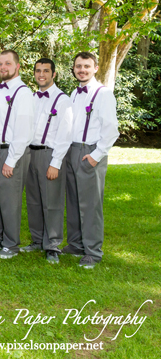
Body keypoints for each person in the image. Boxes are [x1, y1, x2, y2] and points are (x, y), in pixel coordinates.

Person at [63, 52, 119, 269]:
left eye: (87, 66)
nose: (82, 70)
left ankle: (93, 252)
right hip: (72, 150)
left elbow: (111, 130)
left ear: (95, 68)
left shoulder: (103, 94)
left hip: (90, 152)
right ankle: (76, 244)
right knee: (74, 200)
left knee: (91, 204)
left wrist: (96, 156)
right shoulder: (74, 93)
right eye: (78, 66)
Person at [0, 50, 35, 259]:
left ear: (17, 66)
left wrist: (11, 160)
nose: (3, 67)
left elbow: (24, 131)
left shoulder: (23, 92)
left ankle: (11, 244)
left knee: (9, 200)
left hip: (11, 152)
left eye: (7, 64)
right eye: (0, 64)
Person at [23, 58, 73, 264]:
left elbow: (66, 134)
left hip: (49, 154)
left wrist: (56, 162)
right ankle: (37, 240)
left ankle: (52, 245)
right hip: (29, 153)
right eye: (37, 71)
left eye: (45, 71)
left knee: (51, 201)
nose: (41, 74)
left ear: (54, 74)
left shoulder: (63, 100)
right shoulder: (32, 98)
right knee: (33, 200)